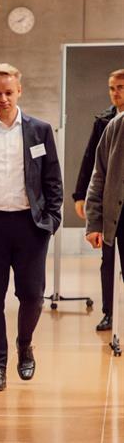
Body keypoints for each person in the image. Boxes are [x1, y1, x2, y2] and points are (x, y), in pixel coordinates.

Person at [0, 63, 63, 392]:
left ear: (19, 91)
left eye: (9, 92)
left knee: (32, 296)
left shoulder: (40, 130)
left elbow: (52, 180)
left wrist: (50, 221)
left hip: (29, 225)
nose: (3, 98)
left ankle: (25, 344)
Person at [73, 69, 124, 331]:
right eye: (112, 88)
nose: (116, 92)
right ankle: (110, 312)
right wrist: (81, 196)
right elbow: (93, 165)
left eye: (121, 87)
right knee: (109, 262)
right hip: (114, 207)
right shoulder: (106, 121)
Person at [86, 112, 124, 312]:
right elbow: (98, 176)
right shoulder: (116, 126)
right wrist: (94, 222)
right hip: (120, 218)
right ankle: (109, 314)